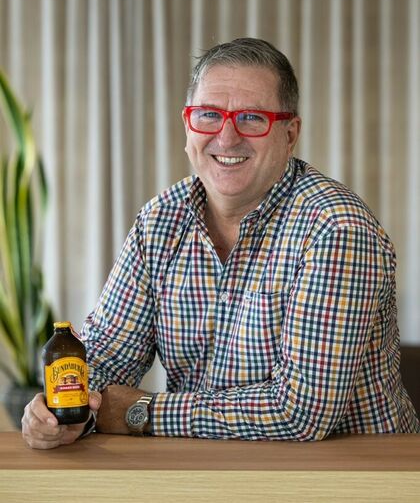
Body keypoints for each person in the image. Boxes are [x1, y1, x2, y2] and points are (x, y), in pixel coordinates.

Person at [22, 37, 420, 449]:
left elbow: (302, 413)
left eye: (252, 118)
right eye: (209, 115)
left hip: (351, 474)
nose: (227, 138)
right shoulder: (159, 221)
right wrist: (65, 411)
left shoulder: (336, 228)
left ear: (290, 134)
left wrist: (139, 411)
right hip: (207, 471)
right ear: (187, 125)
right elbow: (105, 358)